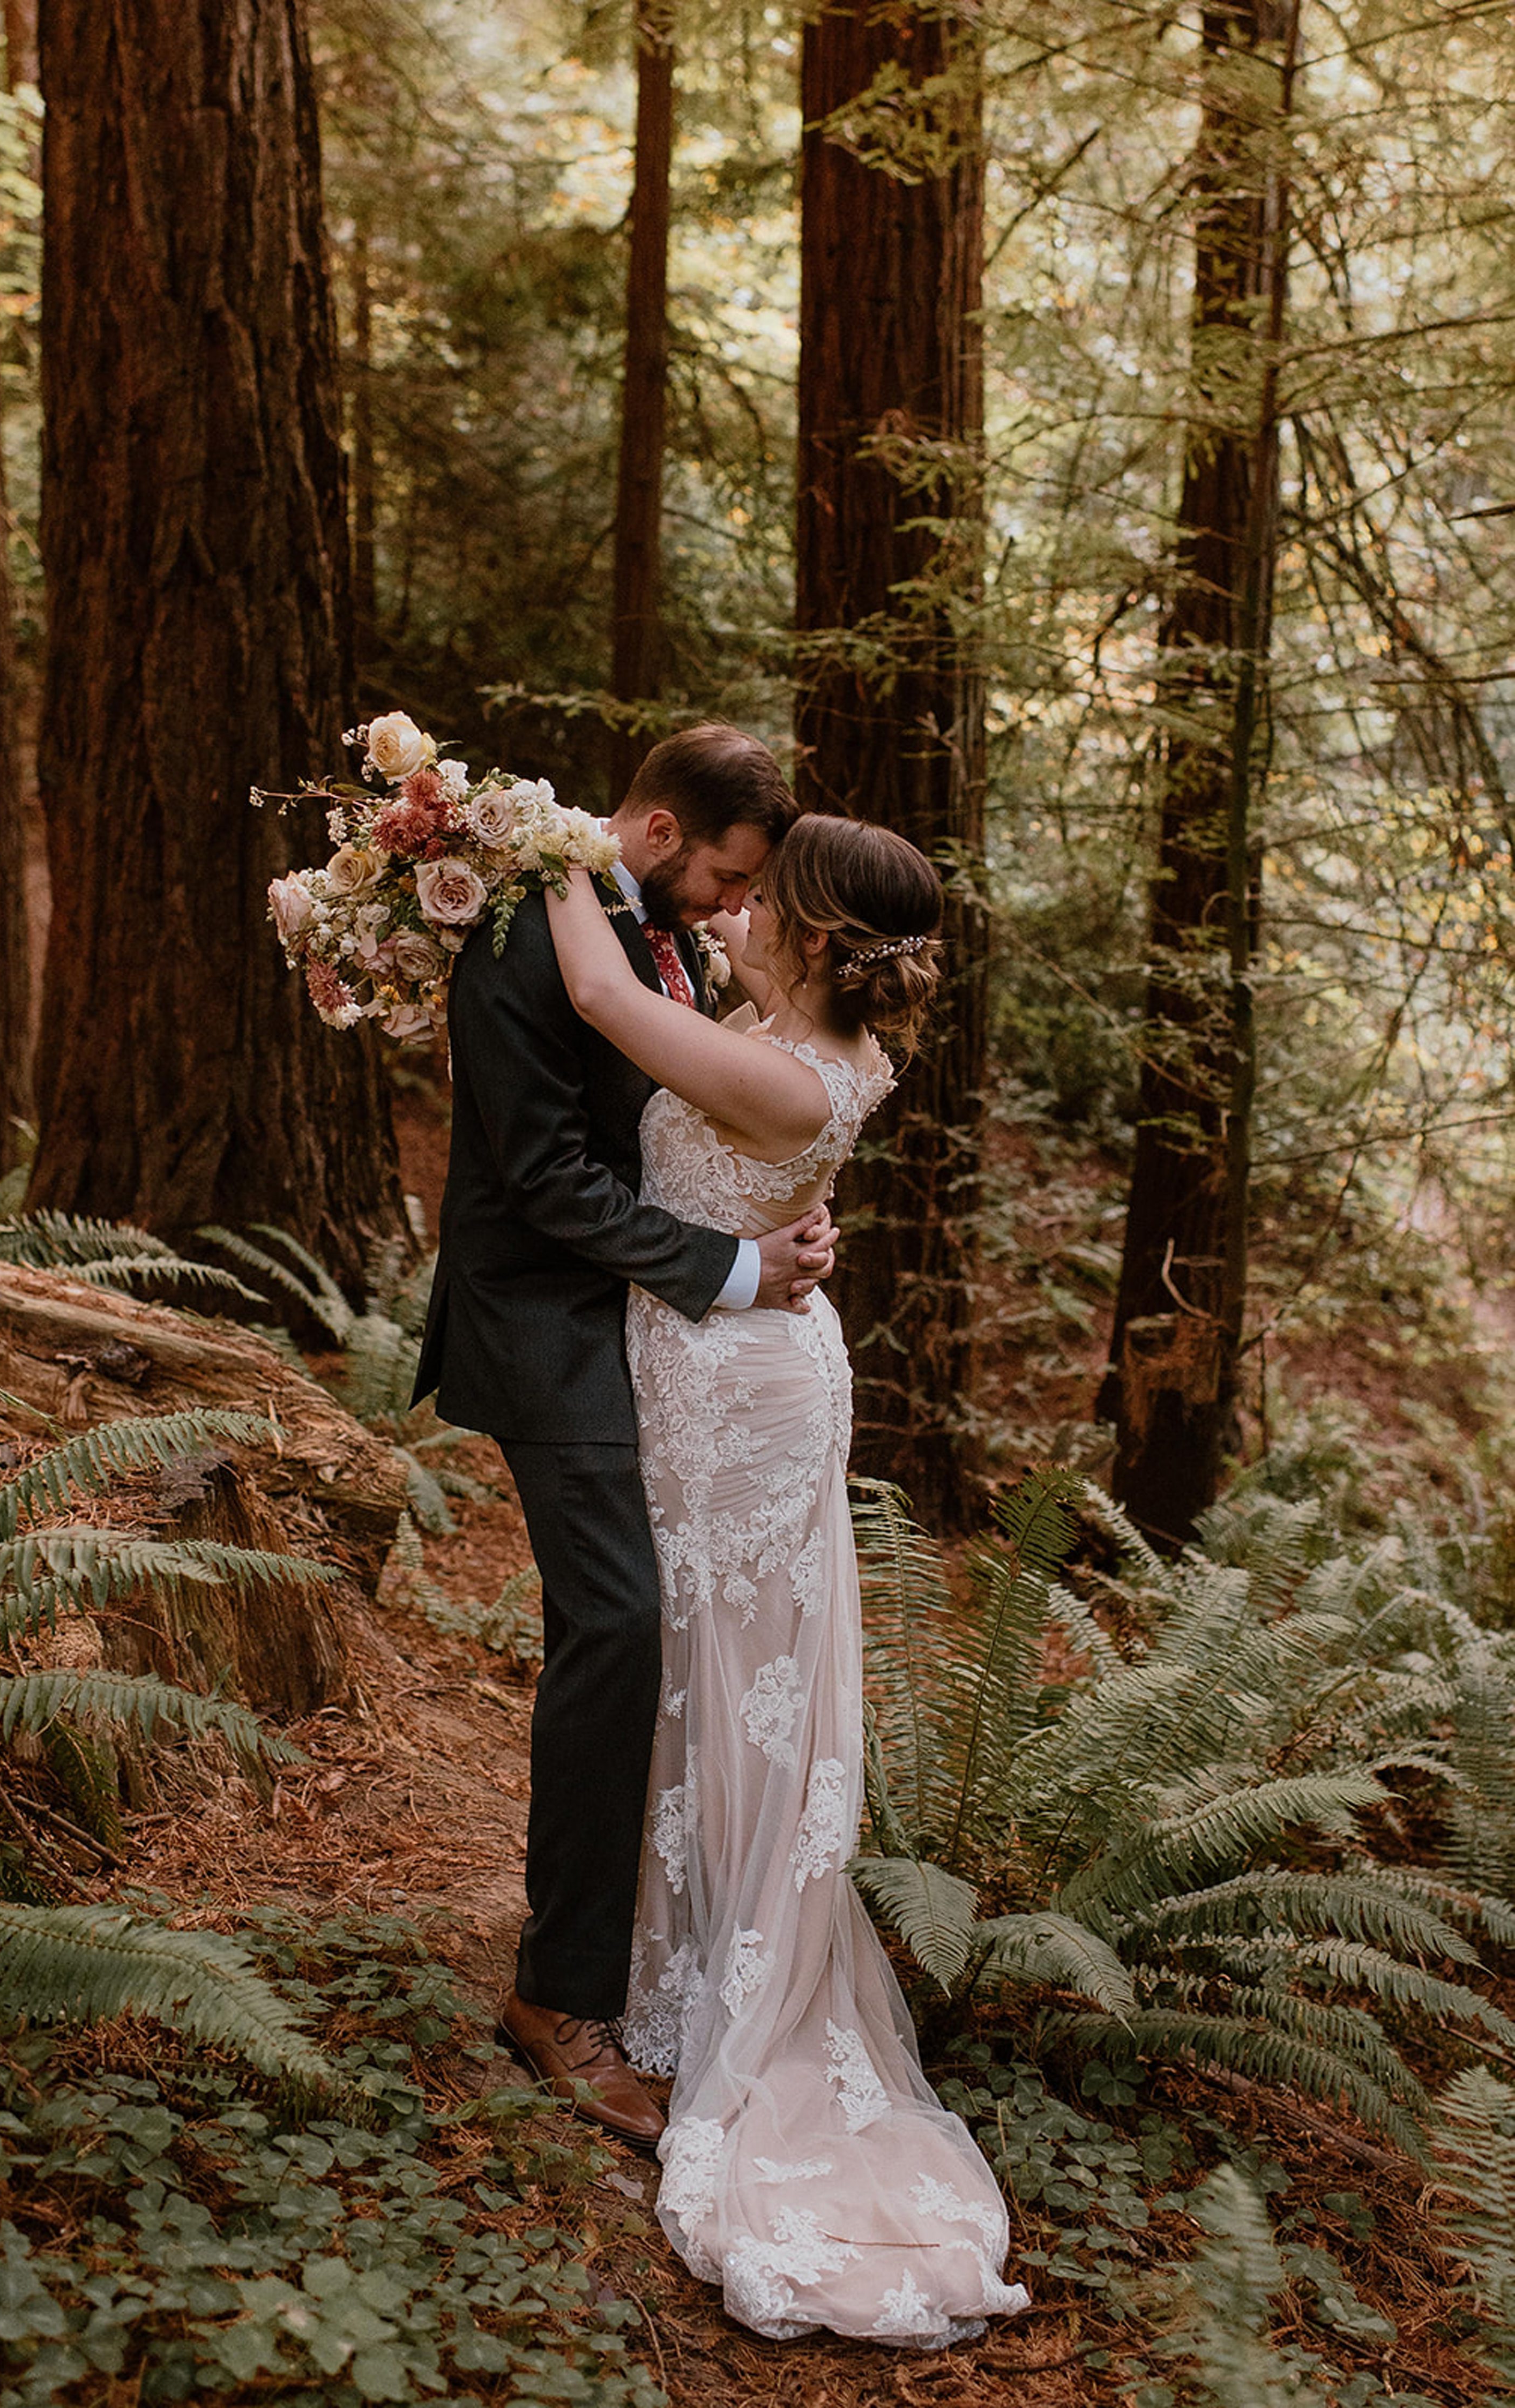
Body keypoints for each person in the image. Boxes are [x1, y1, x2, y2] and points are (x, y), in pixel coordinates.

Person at [542, 813, 1028, 2346]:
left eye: (767, 901)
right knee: (700, 1660)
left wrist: (542, 849)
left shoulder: (781, 1063)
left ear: (815, 936)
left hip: (736, 1390)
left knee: (726, 1668)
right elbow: (707, 1084)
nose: (736, 908)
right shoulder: (794, 1039)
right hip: (732, 1359)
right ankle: (666, 1947)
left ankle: (720, 1983)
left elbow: (616, 1009)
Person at [410, 725, 837, 2155]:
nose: (730, 911)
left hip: (651, 1323)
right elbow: (540, 1182)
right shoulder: (527, 933)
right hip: (543, 1317)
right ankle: (560, 1997)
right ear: (655, 829)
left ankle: (676, 1941)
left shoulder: (648, 928)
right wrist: (728, 1273)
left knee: (681, 1626)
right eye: (722, 876)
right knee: (621, 1621)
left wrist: (766, 1223)